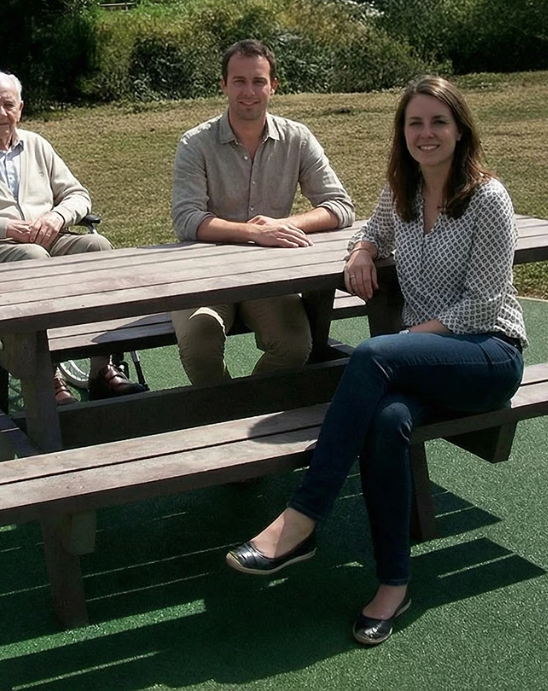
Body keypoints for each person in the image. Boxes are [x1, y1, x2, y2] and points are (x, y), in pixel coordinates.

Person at [225, 75, 528, 646]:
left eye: (439, 121)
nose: (426, 133)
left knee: (372, 355)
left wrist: (407, 342)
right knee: (387, 423)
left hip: (488, 355)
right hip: (424, 361)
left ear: (461, 130)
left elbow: (485, 302)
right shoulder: (402, 192)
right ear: (403, 133)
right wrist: (363, 249)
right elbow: (370, 228)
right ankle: (393, 583)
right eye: (415, 122)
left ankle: (303, 519)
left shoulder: (488, 198)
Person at [0, 70, 145, 404]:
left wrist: (56, 216)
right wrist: (3, 227)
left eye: (8, 105)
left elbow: (77, 194)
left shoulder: (37, 145)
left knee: (98, 247)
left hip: (49, 236)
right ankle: (50, 375)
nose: (1, 113)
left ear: (21, 108)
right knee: (34, 260)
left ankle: (103, 367)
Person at [170, 39, 355, 385]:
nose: (249, 91)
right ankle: (228, 418)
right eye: (239, 81)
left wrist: (283, 224)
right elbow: (186, 219)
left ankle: (240, 414)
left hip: (268, 277)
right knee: (199, 346)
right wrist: (253, 232)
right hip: (202, 274)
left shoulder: (297, 138)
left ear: (274, 86)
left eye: (258, 81)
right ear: (224, 85)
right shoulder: (195, 143)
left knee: (294, 345)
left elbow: (340, 206)